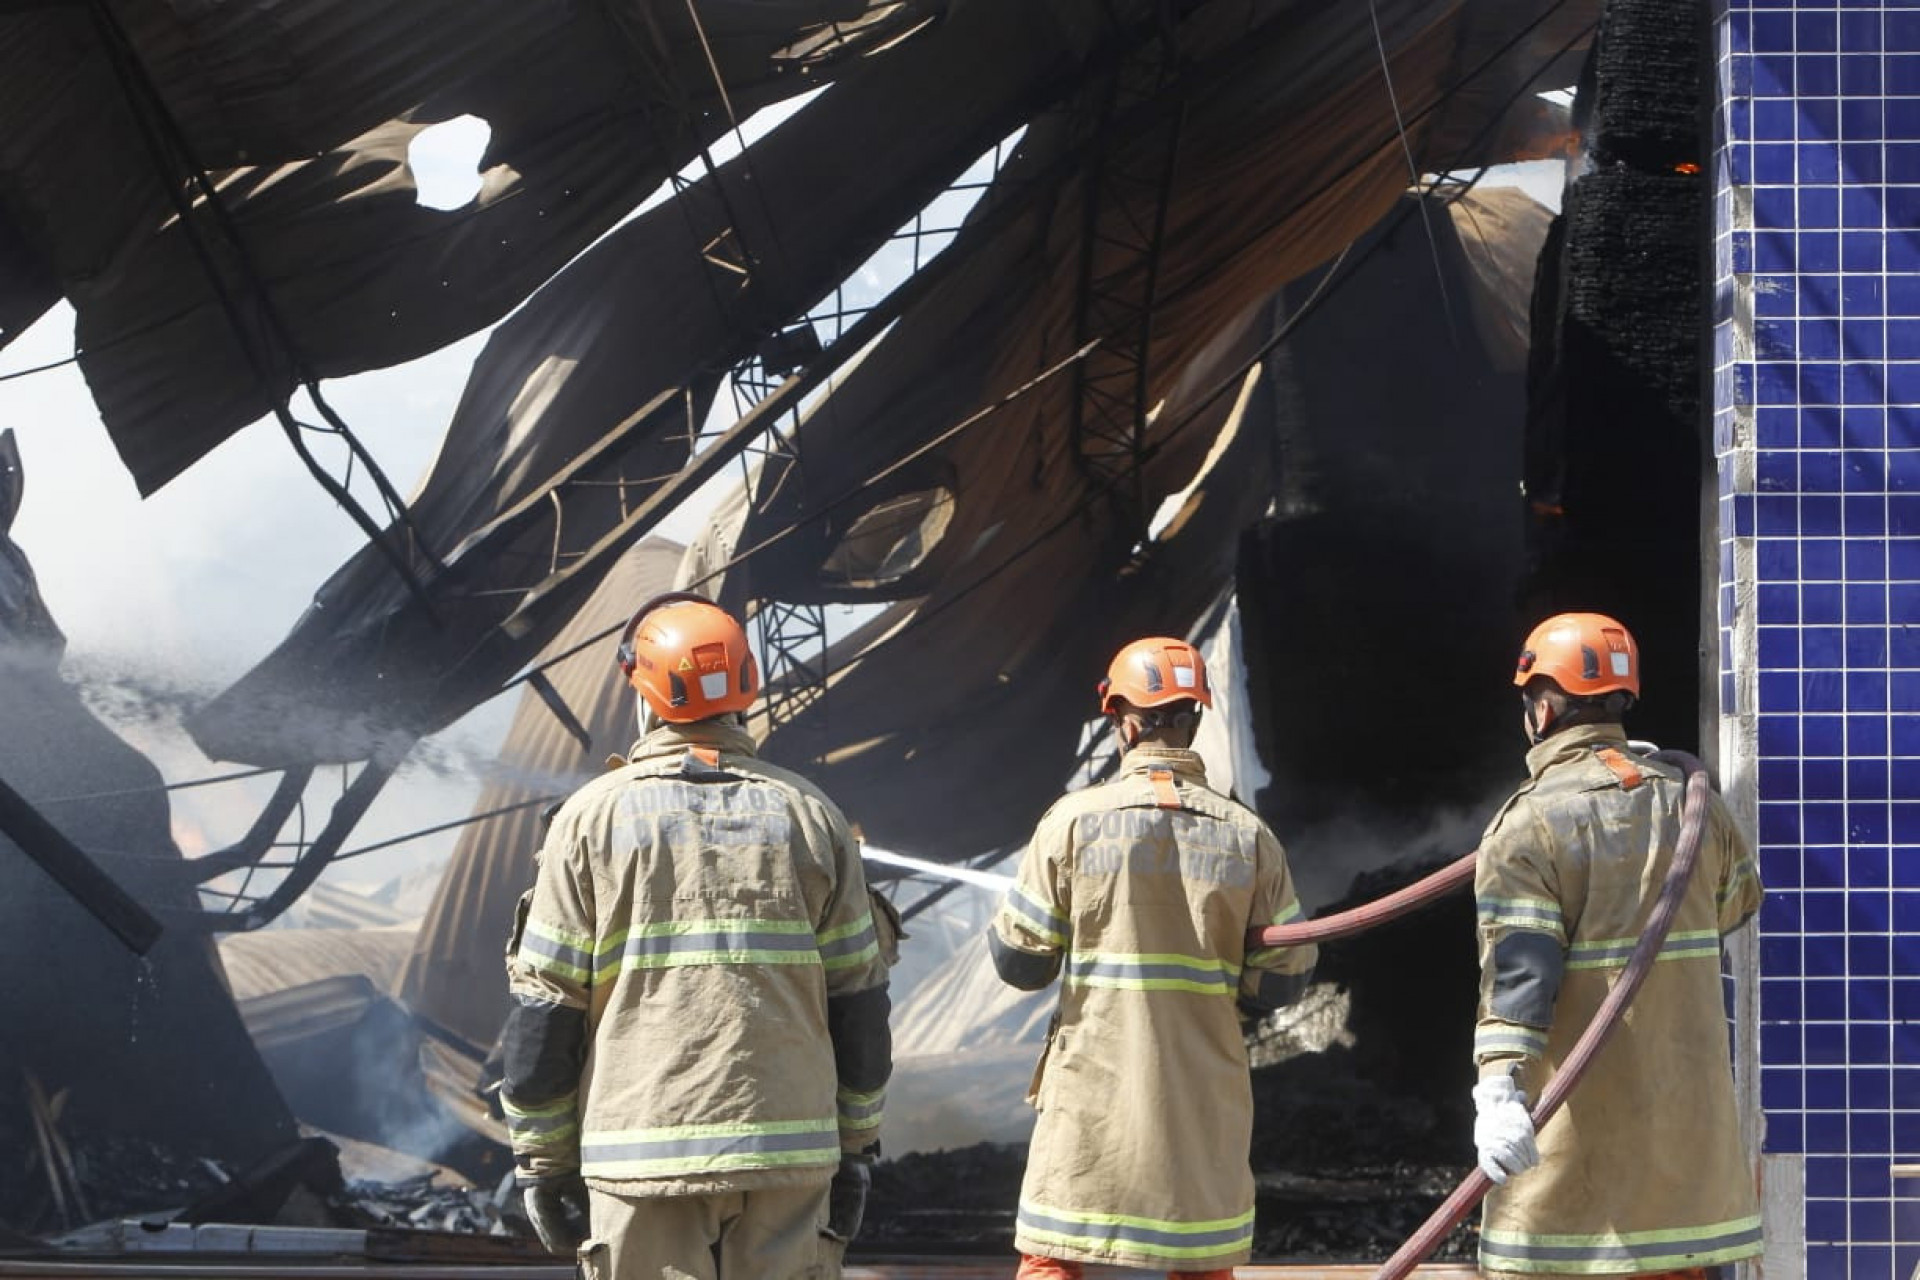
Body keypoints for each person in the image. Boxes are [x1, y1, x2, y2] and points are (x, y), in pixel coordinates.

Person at [500, 593, 892, 1280]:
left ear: (642, 690)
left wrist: (543, 1162)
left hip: (640, 1161)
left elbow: (546, 1009)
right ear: (747, 687)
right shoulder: (813, 816)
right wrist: (856, 1148)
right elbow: (858, 1001)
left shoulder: (589, 821)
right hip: (788, 1162)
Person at [988, 636, 1318, 1279]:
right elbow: (1285, 980)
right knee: (1202, 1258)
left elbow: (1020, 965)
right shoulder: (1249, 836)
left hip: (1091, 1098)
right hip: (1202, 1101)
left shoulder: (1071, 822)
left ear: (1124, 721)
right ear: (1193, 720)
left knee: (1053, 1254)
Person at [1471, 611, 1764, 1279]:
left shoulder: (1529, 825)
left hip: (1580, 1187)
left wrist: (1498, 1092)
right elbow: (1738, 903)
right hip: (1688, 1182)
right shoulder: (1693, 804)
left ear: (1544, 707)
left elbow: (1520, 980)